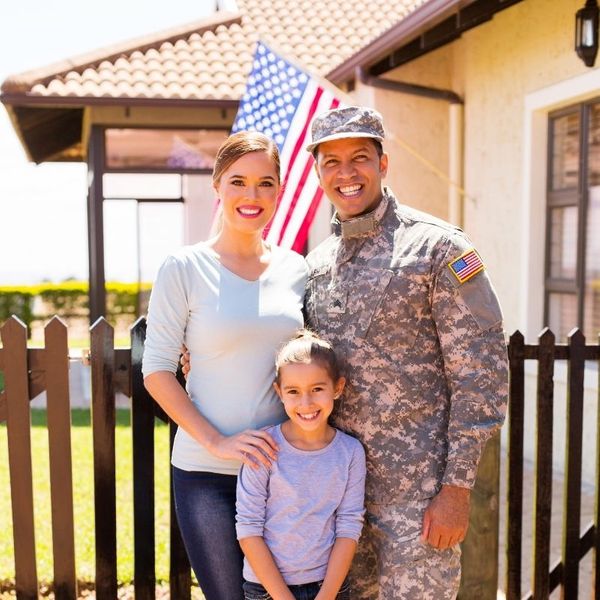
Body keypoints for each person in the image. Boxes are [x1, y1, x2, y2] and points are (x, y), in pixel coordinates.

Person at [301, 105, 509, 599]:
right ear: (317, 172)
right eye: (331, 162)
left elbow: (481, 374)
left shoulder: (441, 249)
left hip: (417, 498)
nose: (346, 173)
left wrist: (456, 489)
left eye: (359, 158)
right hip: (340, 496)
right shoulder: (316, 264)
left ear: (383, 164)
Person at [142, 131, 308, 600]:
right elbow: (156, 369)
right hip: (206, 474)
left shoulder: (297, 270)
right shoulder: (184, 267)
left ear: (280, 190)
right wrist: (217, 440)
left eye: (265, 183)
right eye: (238, 181)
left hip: (282, 472)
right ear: (217, 186)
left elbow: (308, 359)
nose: (251, 196)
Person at [236, 329, 366, 600]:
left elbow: (348, 526)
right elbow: (248, 528)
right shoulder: (264, 448)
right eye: (293, 391)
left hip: (328, 588)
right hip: (267, 590)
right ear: (279, 393)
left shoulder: (350, 453)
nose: (306, 403)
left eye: (317, 389)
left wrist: (327, 595)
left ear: (338, 388)